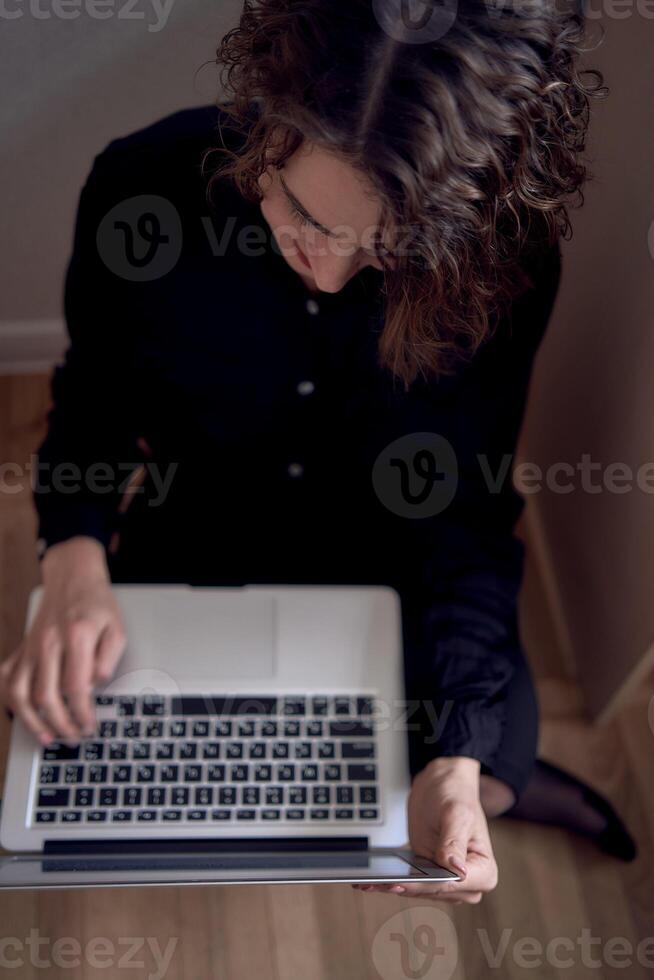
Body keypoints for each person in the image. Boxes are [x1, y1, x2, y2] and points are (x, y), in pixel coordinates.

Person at [0, 0, 635, 904]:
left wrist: (455, 759)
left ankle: (495, 790)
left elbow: (465, 505)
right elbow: (95, 400)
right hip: (201, 521)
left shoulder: (503, 258)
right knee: (125, 772)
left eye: (385, 249)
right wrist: (69, 556)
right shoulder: (140, 189)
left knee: (479, 767)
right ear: (267, 121)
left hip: (398, 551)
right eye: (303, 213)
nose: (328, 272)